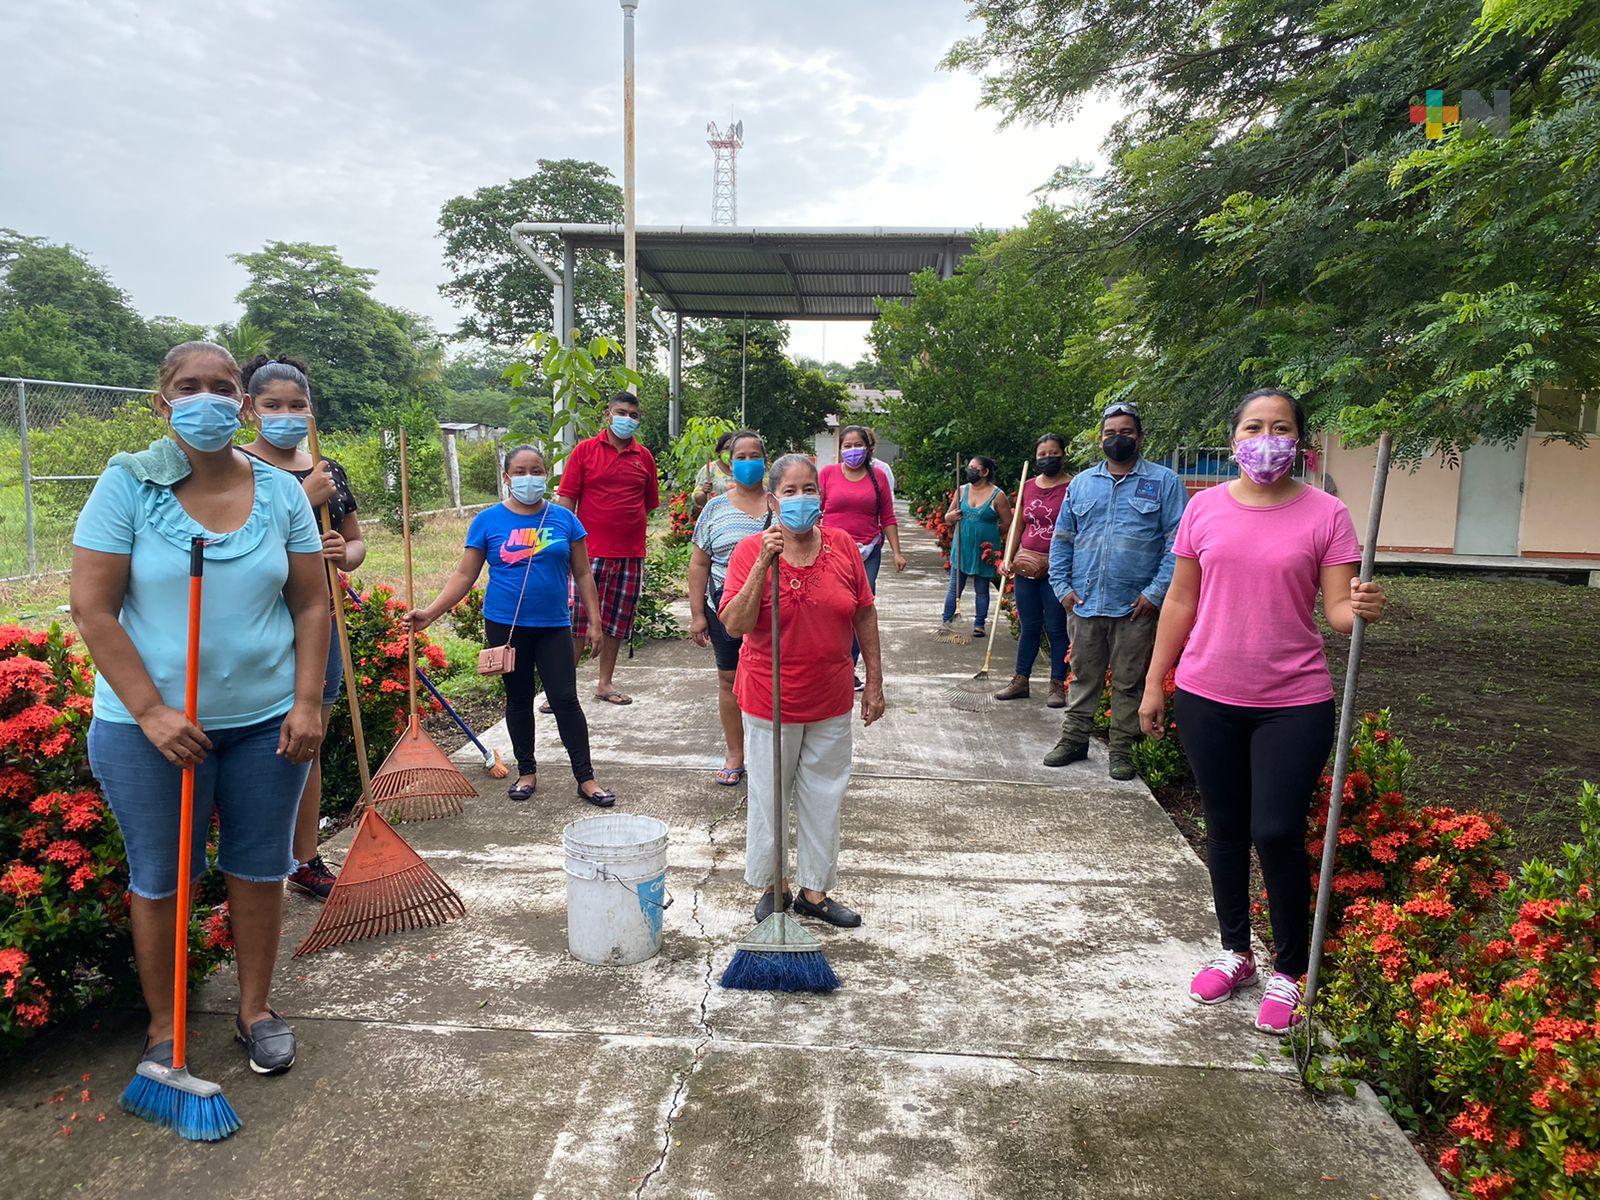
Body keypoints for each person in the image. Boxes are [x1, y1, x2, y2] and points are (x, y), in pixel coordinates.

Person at [71, 341, 328, 1076]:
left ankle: (255, 1011)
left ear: (242, 405)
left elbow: (310, 602)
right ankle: (164, 1026)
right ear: (163, 403)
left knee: (256, 868)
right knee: (162, 878)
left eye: (223, 387)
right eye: (190, 387)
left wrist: (307, 701)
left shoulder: (280, 492)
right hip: (149, 732)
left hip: (267, 722)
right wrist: (152, 712)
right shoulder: (128, 485)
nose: (208, 398)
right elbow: (93, 608)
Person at [1138, 388, 1386, 1035]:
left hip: (1293, 702)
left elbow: (1334, 612)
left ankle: (1291, 969)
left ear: (1299, 441)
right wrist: (1154, 683)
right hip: (1206, 695)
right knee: (1223, 828)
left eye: (1280, 427)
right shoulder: (1204, 510)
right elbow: (1180, 603)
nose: (1266, 436)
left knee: (1275, 830)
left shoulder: (1327, 515)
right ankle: (1235, 952)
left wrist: (1357, 607)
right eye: (1254, 426)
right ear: (1234, 440)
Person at [720, 454, 885, 929]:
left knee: (823, 796)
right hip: (769, 699)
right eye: (789, 492)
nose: (800, 499)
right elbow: (735, 625)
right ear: (773, 501)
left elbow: (864, 614)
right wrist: (763, 565)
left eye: (808, 489)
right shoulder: (751, 551)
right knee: (771, 798)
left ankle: (815, 891)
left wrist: (873, 680)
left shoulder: (843, 546)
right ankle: (776, 886)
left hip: (830, 696)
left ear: (821, 495)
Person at [407, 446, 616, 807]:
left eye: (536, 470)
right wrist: (431, 612)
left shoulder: (565, 520)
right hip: (505, 626)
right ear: (506, 477)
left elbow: (583, 573)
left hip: (554, 625)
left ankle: (586, 778)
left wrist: (595, 622)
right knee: (518, 699)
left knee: (565, 699)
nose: (528, 477)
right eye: (520, 471)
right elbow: (464, 574)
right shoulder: (488, 521)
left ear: (547, 475)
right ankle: (527, 771)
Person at [239, 355, 365, 901]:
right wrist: (298, 500)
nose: (286, 415)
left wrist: (344, 549)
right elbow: (235, 547)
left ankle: (304, 856)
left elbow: (356, 544)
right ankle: (258, 854)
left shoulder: (328, 470)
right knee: (255, 742)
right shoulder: (232, 467)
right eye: (273, 406)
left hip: (322, 622)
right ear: (250, 410)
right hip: (259, 625)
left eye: (297, 405)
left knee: (307, 739)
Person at [1045, 401, 1186, 780]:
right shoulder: (1081, 483)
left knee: (1128, 681)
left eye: (1125, 432)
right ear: (1100, 439)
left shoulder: (1165, 482)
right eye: (1110, 433)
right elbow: (1062, 540)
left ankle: (1121, 750)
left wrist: (1155, 594)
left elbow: (1178, 544)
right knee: (1082, 676)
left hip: (1135, 606)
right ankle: (1074, 739)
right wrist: (1062, 588)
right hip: (1085, 601)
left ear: (1139, 438)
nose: (1117, 439)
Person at [555, 392, 659, 706]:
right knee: (576, 622)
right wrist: (562, 546)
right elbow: (565, 503)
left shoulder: (645, 457)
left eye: (634, 415)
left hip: (630, 555)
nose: (628, 419)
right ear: (608, 414)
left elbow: (649, 504)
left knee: (617, 621)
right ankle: (563, 689)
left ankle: (605, 683)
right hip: (588, 554)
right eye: (621, 412)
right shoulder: (584, 451)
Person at [687, 431, 771, 786]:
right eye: (742, 456)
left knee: (774, 679)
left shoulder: (781, 504)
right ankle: (735, 753)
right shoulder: (715, 508)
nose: (749, 463)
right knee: (729, 680)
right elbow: (699, 564)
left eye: (756, 455)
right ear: (729, 462)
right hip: (726, 609)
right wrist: (695, 614)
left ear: (765, 461)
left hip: (776, 611)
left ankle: (771, 754)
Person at [819, 424, 905, 690]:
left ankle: (850, 668)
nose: (853, 450)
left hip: (868, 551)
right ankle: (827, 663)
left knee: (860, 608)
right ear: (840, 449)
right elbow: (815, 510)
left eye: (858, 445)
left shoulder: (878, 476)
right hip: (831, 550)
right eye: (847, 446)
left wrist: (897, 552)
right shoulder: (827, 474)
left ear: (869, 448)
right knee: (830, 605)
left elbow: (887, 517)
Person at [994, 434, 1072, 706]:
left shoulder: (1073, 487)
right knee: (1029, 626)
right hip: (1026, 564)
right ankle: (1020, 680)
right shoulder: (1028, 486)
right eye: (1042, 454)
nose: (1047, 458)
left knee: (1056, 627)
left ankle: (1057, 685)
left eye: (1053, 453)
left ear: (1063, 455)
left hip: (1058, 568)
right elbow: (1018, 524)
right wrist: (1008, 557)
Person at [940, 455, 1010, 638]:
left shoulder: (998, 495)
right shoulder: (961, 490)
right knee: (955, 587)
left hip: (984, 551)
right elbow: (947, 517)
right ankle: (946, 621)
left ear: (985, 472)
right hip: (962, 547)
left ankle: (979, 624)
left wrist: (991, 535)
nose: (970, 471)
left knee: (982, 587)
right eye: (969, 467)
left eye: (974, 468)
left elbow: (1007, 524)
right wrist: (951, 517)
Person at [691, 429, 736, 515]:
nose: (730, 452)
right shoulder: (709, 469)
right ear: (719, 451)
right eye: (726, 448)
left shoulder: (743, 468)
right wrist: (704, 492)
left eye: (734, 448)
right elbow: (697, 500)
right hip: (715, 517)